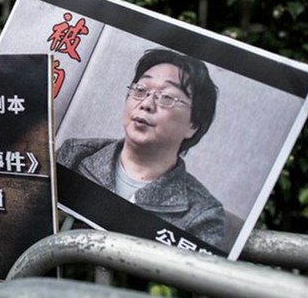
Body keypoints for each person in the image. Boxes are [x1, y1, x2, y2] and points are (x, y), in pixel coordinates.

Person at [57, 48, 225, 247]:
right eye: (141, 90)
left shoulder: (203, 214)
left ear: (193, 125)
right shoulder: (76, 153)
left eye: (167, 97)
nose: (146, 103)